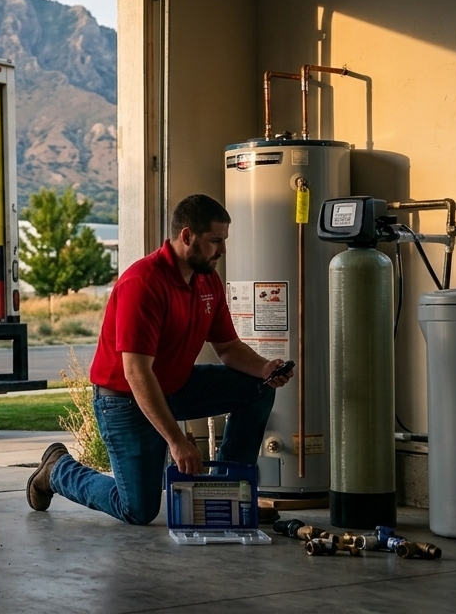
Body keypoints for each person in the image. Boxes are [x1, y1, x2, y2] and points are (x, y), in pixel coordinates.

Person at [26, 194, 293, 525]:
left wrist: (265, 368)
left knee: (260, 387)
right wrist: (177, 441)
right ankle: (57, 470)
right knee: (137, 509)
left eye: (223, 241)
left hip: (175, 386)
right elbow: (137, 373)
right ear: (186, 237)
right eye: (215, 241)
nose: (222, 251)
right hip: (124, 400)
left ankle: (228, 493)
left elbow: (227, 347)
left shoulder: (206, 279)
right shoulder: (143, 283)